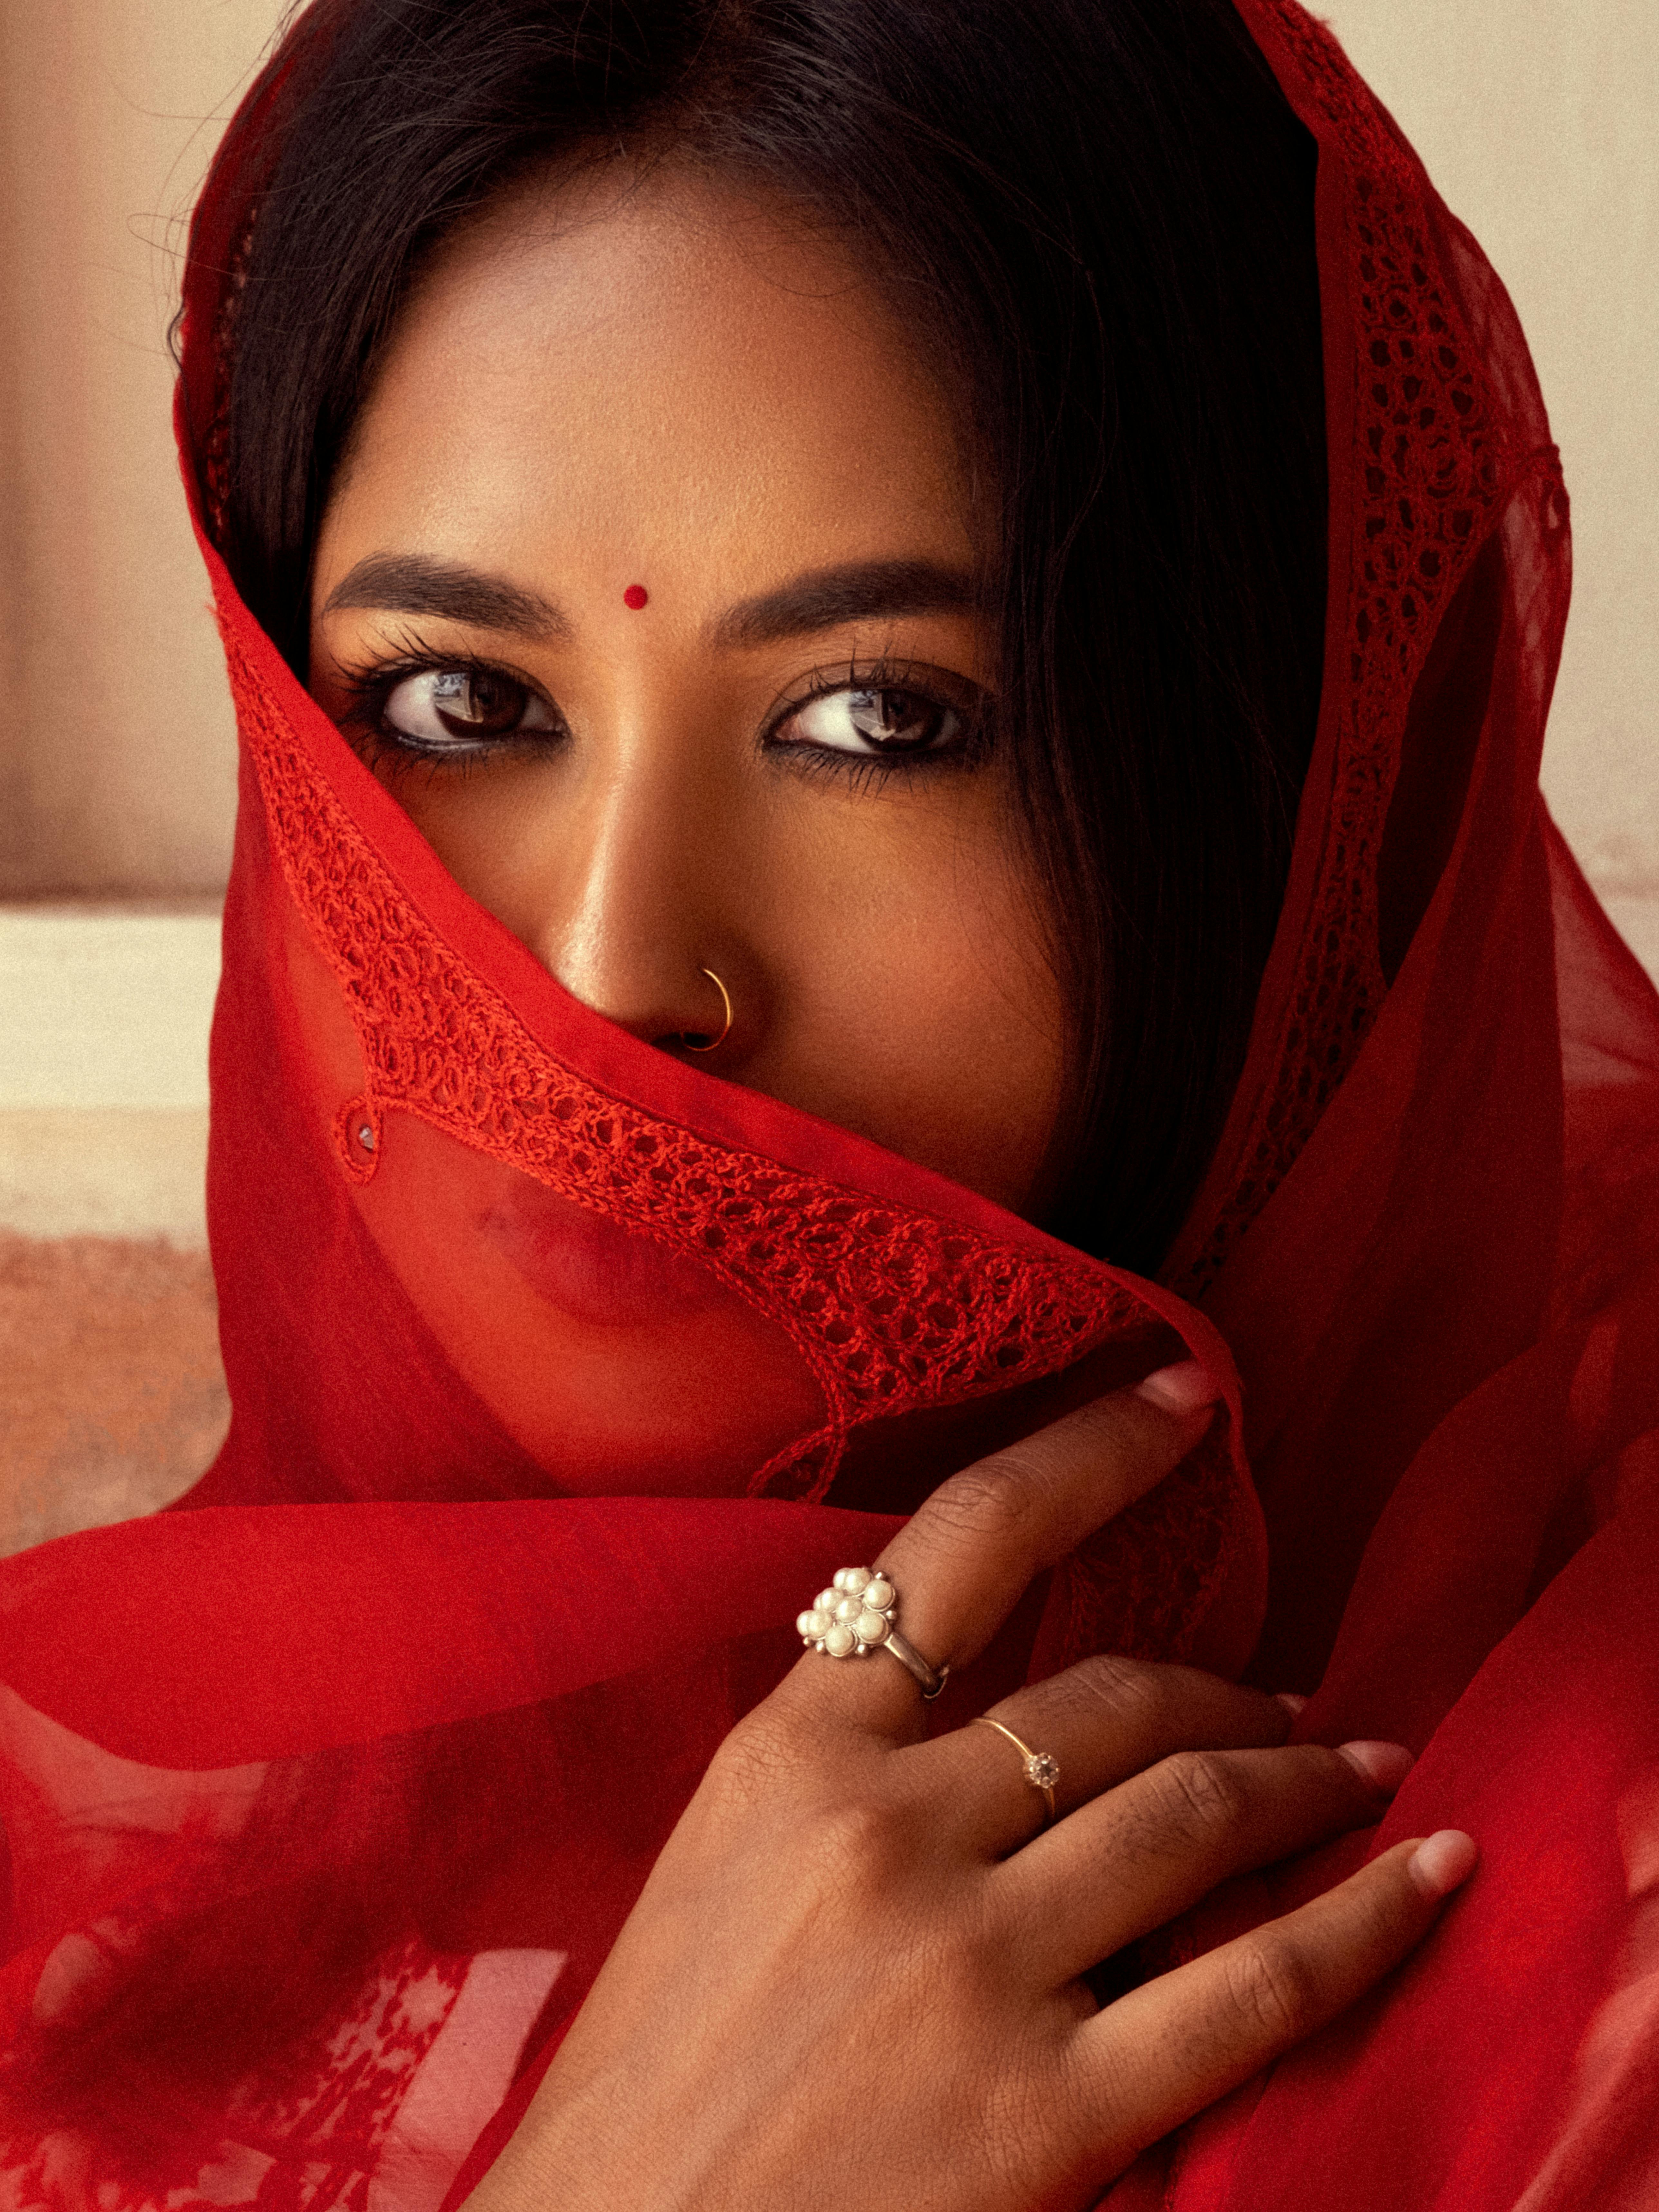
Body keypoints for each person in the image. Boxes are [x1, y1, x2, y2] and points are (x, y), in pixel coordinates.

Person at [1, 0, 1655, 2204]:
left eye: (883, 718)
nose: (612, 976)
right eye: (458, 699)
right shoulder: (84, 1868)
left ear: (1268, 810)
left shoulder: (1588, 1878)